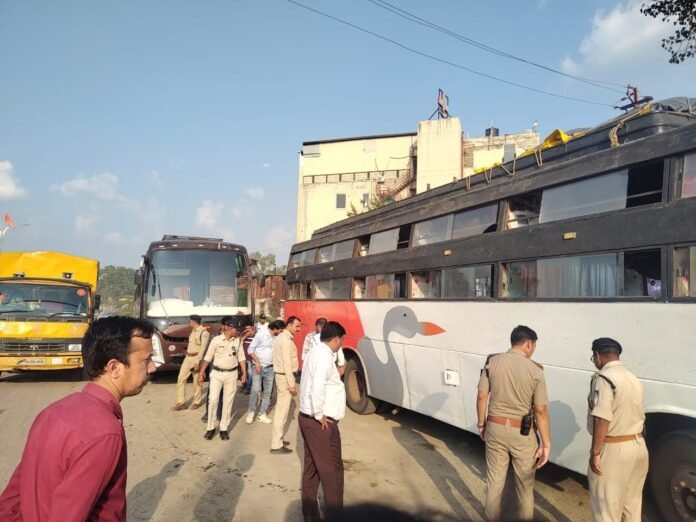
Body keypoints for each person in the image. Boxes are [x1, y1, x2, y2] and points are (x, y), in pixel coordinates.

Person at [0, 316, 155, 521]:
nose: (153, 367)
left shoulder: (52, 412)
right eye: (146, 360)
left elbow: (14, 494)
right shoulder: (105, 432)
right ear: (114, 368)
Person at [476, 325, 551, 521]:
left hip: (495, 428)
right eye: (534, 346)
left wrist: (481, 425)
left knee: (494, 482)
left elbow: (482, 396)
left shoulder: (492, 362)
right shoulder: (536, 370)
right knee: (525, 487)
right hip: (523, 434)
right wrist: (546, 444)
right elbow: (540, 410)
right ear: (528, 344)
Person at [587, 338, 648, 522]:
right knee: (632, 506)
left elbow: (602, 417)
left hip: (614, 450)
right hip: (639, 446)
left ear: (597, 355)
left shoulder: (604, 378)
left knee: (606, 510)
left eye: (593, 357)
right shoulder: (633, 378)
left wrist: (595, 452)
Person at [298, 321, 347, 521]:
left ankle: (310, 515)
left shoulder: (315, 352)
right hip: (319, 422)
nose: (341, 344)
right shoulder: (324, 356)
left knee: (312, 470)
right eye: (341, 341)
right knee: (332, 472)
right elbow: (318, 385)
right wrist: (319, 415)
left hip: (308, 419)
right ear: (335, 339)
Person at [198, 316, 249, 441]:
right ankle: (210, 428)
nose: (237, 331)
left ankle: (223, 428)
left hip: (231, 374)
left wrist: (244, 373)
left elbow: (241, 358)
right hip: (216, 374)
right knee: (213, 400)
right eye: (236, 329)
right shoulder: (216, 340)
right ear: (229, 328)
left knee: (228, 402)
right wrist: (201, 372)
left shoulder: (238, 341)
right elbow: (208, 357)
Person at [270, 315, 301, 454]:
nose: (298, 329)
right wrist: (292, 384)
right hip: (285, 377)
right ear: (289, 325)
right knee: (281, 412)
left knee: (281, 411)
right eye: (297, 326)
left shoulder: (281, 337)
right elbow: (287, 364)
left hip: (281, 376)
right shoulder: (286, 340)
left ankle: (279, 439)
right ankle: (276, 445)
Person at [245, 319, 284, 424]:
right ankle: (251, 411)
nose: (281, 332)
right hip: (258, 367)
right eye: (280, 330)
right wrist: (257, 362)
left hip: (270, 368)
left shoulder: (277, 338)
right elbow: (250, 350)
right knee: (256, 389)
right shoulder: (260, 335)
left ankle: (262, 414)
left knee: (267, 392)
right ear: (275, 329)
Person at [173, 314, 210, 411]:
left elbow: (203, 349)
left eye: (189, 321)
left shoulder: (204, 333)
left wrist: (197, 362)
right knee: (181, 378)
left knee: (197, 380)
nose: (189, 322)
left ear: (193, 322)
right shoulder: (193, 331)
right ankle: (181, 402)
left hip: (196, 358)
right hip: (188, 357)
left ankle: (196, 402)